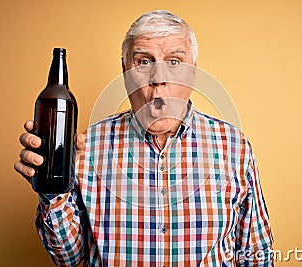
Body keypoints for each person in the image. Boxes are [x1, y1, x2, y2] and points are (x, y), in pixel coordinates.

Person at [14, 10, 274, 267]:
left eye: (174, 62)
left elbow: (257, 254)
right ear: (125, 72)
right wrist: (53, 193)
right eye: (144, 62)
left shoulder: (234, 146)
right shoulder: (87, 148)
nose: (158, 79)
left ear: (193, 73)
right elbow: (68, 259)